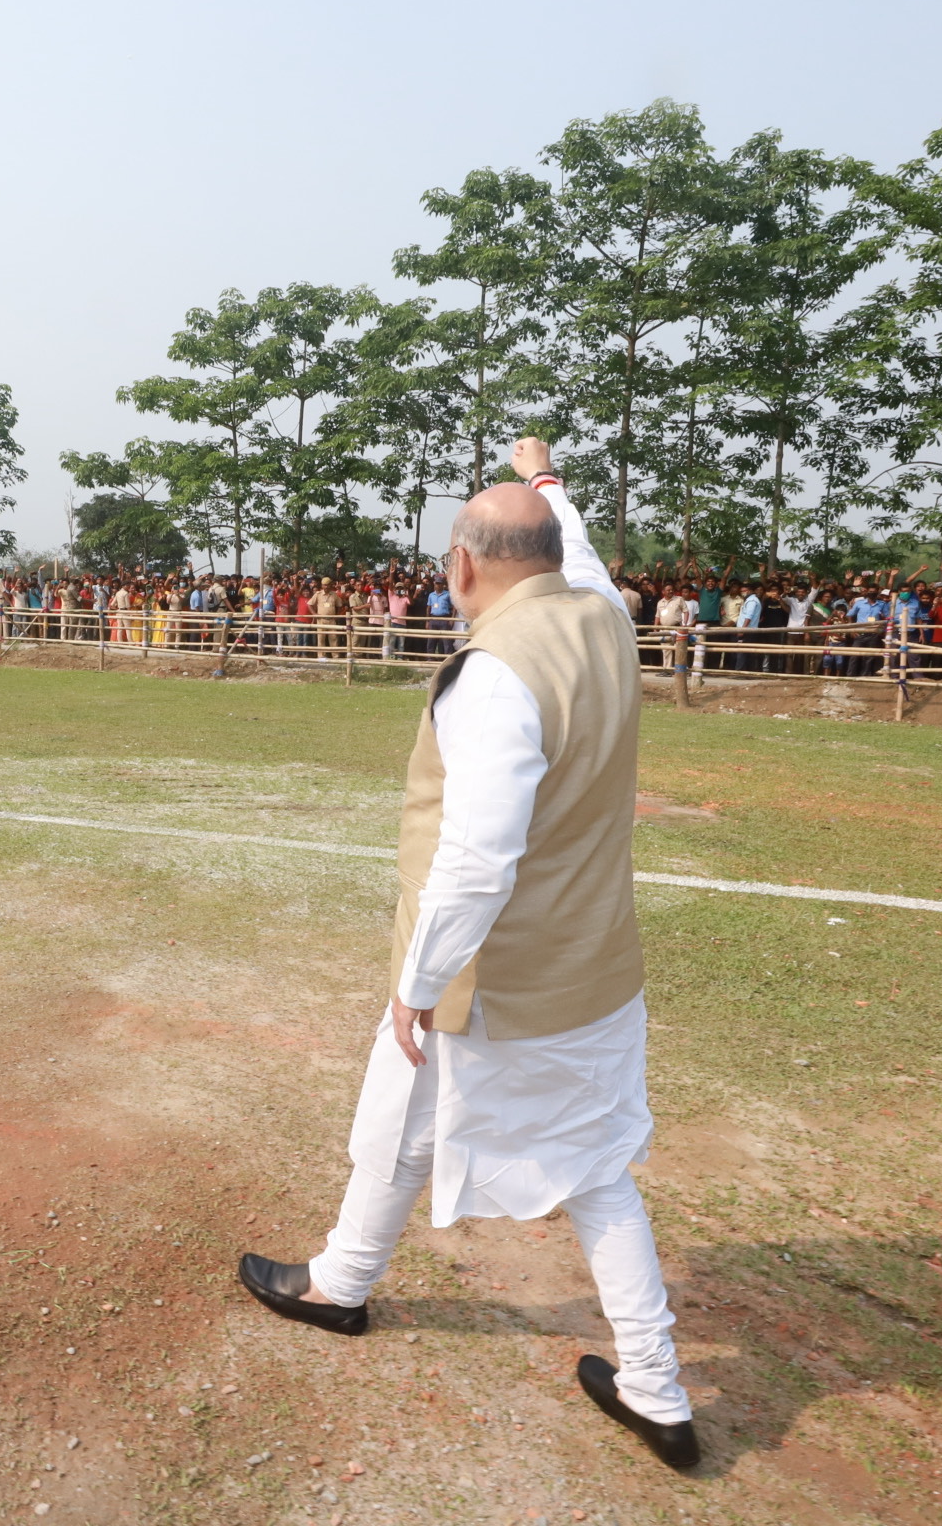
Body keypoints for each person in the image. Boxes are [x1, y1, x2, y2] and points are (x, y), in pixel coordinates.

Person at [235, 436, 699, 1473]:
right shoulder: (604, 617)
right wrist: (544, 475)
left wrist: (419, 981)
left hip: (496, 975)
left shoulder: (494, 671)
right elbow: (574, 546)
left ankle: (340, 1285)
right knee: (598, 1172)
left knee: (395, 1119)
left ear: (461, 565)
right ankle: (657, 1390)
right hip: (595, 966)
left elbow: (478, 856)